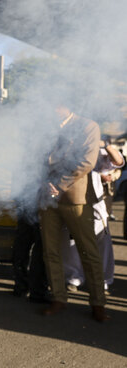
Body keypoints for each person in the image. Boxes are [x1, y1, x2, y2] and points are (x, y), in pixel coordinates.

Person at [38, 104, 108, 322]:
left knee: (88, 251)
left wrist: (58, 184)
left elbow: (86, 163)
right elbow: (34, 160)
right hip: (46, 198)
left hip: (74, 198)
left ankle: (98, 303)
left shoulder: (88, 126)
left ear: (67, 105)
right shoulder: (44, 127)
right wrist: (42, 184)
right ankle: (58, 298)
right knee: (50, 251)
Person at [62, 140, 125, 293]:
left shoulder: (95, 147)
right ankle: (74, 278)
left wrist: (106, 144)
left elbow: (118, 162)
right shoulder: (64, 146)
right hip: (69, 201)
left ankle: (101, 281)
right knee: (71, 242)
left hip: (94, 204)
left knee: (101, 242)